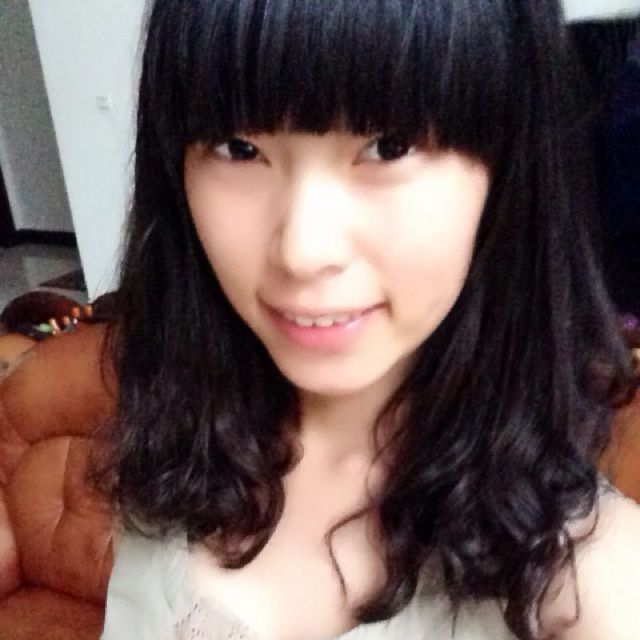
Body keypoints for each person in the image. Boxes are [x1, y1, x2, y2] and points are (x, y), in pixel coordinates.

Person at [95, 1, 640, 639]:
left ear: (506, 171)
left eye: (389, 146)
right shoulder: (171, 454)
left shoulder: (590, 585)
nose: (303, 251)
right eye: (238, 148)